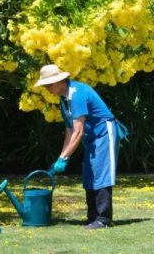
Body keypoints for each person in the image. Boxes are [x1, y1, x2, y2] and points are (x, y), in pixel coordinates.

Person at [35, 64, 126, 230]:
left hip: (104, 133)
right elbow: (70, 130)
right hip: (91, 138)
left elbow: (78, 131)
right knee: (89, 172)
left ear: (60, 81)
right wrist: (61, 157)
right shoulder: (64, 99)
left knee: (100, 172)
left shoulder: (76, 94)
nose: (46, 88)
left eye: (49, 84)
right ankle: (93, 217)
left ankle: (104, 219)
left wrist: (64, 158)